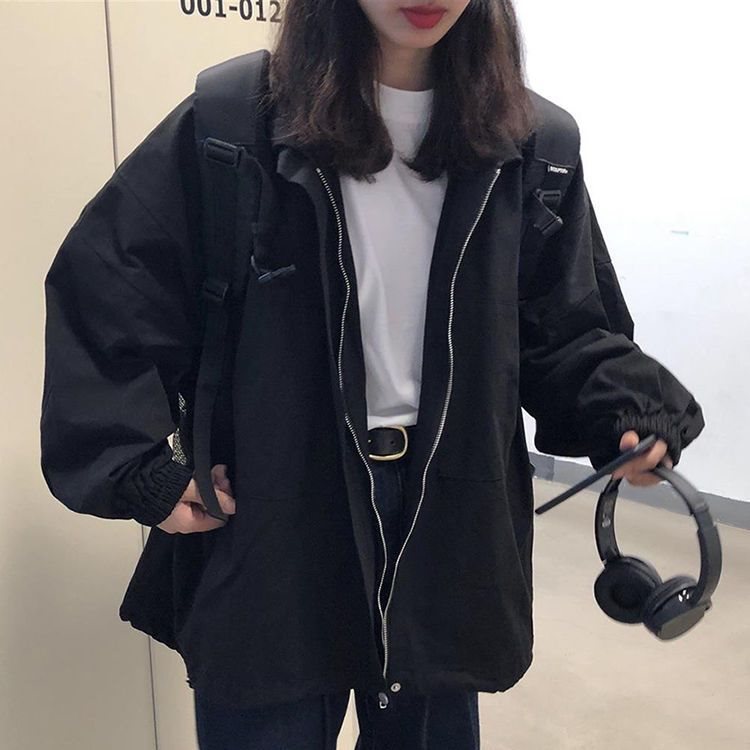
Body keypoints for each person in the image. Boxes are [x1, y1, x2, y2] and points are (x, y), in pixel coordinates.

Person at [40, 1, 704, 748]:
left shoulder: (530, 144)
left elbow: (565, 328)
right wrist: (137, 467)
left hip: (451, 511)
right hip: (277, 504)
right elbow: (111, 290)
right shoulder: (233, 121)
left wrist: (624, 410)